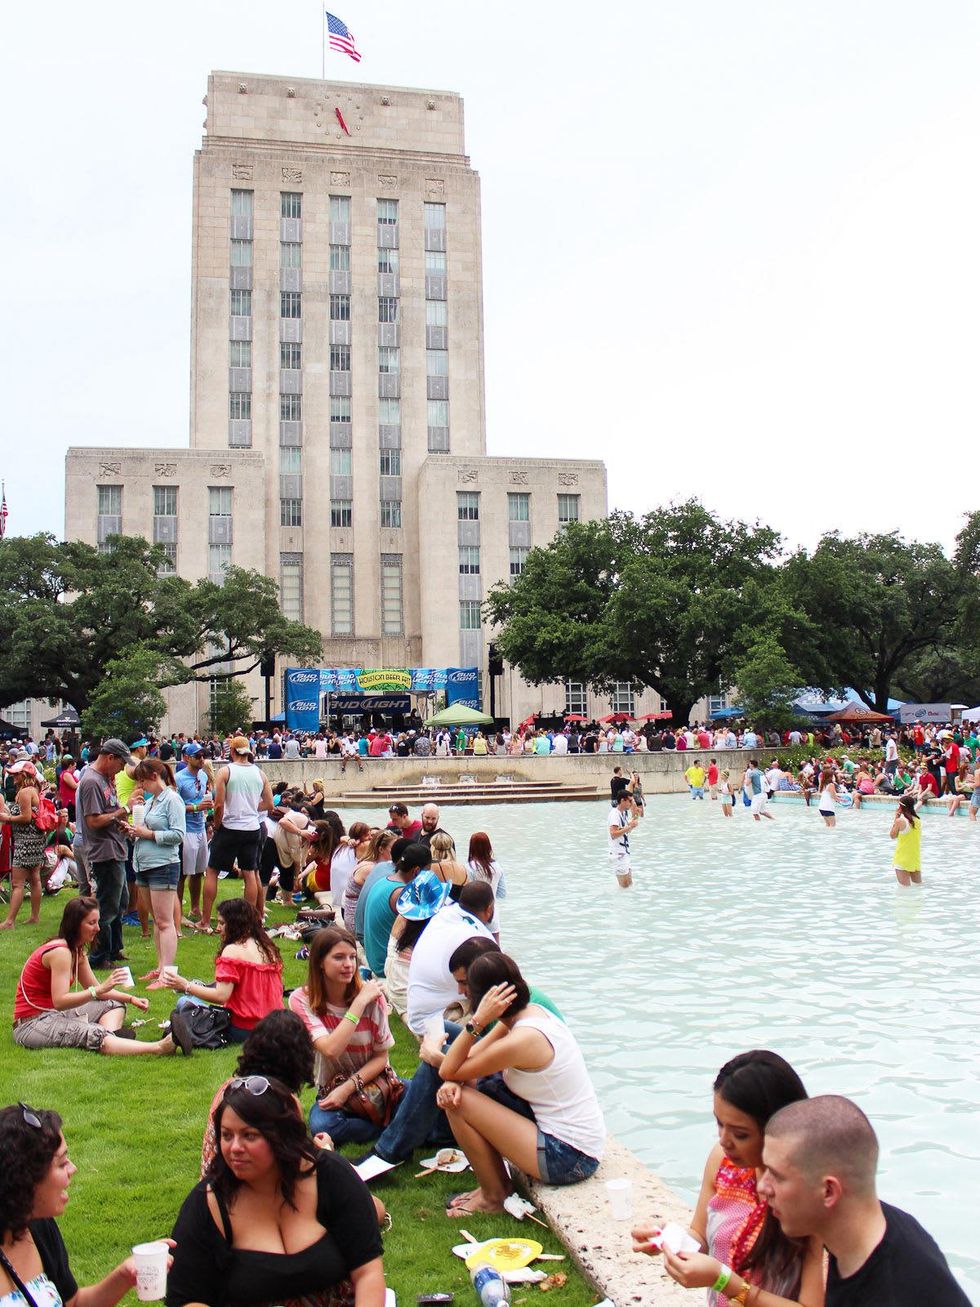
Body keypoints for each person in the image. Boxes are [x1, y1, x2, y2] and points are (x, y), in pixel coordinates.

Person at [167, 1077, 386, 1307]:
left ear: (280, 1136)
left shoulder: (330, 1175)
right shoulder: (208, 1202)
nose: (234, 1148)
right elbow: (186, 1298)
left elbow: (368, 1271)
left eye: (249, 1135)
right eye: (227, 1135)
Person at [632, 1049, 822, 1306]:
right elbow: (701, 1236)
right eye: (719, 1124)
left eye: (741, 1134)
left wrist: (725, 1281)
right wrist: (668, 1240)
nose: (724, 1141)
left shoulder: (810, 1197)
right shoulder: (723, 1162)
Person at [434, 951, 605, 1215]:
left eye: (467, 986)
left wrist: (478, 1021)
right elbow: (463, 1064)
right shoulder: (529, 1013)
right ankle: (493, 1186)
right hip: (573, 1141)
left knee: (456, 1102)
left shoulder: (523, 1039)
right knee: (463, 1086)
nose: (461, 992)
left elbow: (448, 1068)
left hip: (569, 1156)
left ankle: (494, 1197)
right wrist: (455, 1078)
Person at [759, 1096, 970, 1306]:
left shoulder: (895, 1291)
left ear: (829, 1191)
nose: (763, 1187)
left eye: (777, 1176)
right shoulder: (861, 1230)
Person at [0, 1103, 176, 1307]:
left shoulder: (38, 1226)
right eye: (62, 1163)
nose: (73, 1168)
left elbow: (72, 1303)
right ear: (25, 1178)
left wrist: (124, 1276)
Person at [12, 897, 177, 1055]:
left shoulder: (77, 950)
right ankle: (159, 1048)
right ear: (75, 925)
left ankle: (113, 1037)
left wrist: (131, 998)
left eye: (97, 922)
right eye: (91, 923)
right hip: (32, 1024)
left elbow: (99, 991)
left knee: (113, 1004)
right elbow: (60, 1001)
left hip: (54, 1014)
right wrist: (97, 990)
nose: (98, 928)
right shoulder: (61, 953)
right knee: (94, 1033)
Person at [288, 926, 399, 1146]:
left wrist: (348, 1088)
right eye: (338, 957)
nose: (348, 964)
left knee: (427, 1098)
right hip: (331, 1088)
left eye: (352, 957)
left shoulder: (373, 998)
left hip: (378, 1086)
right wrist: (358, 1004)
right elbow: (330, 1049)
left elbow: (381, 1057)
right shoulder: (302, 1000)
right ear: (320, 961)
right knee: (324, 1126)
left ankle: (393, 1123)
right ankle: (395, 1126)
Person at [200, 1009, 315, 1173]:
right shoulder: (283, 1104)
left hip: (213, 1183)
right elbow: (297, 1168)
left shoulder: (228, 1089)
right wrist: (324, 1148)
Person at [161, 898, 283, 1046]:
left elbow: (221, 996)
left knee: (183, 1002)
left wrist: (186, 985)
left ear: (236, 923)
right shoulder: (268, 948)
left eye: (222, 923)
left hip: (244, 1028)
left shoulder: (232, 950)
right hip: (275, 1025)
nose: (218, 928)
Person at [198, 736, 274, 933]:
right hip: (252, 828)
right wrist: (250, 807)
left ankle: (206, 920)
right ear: (248, 752)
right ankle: (247, 923)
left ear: (232, 752)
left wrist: (216, 825)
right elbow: (269, 805)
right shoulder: (260, 774)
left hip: (230, 827)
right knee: (250, 873)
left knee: (212, 871)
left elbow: (219, 805)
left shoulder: (226, 771)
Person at [404, 880, 496, 1037]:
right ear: (490, 909)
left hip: (417, 1013)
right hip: (436, 1022)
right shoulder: (481, 939)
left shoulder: (444, 913)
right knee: (495, 1004)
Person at [73, 739, 133, 968]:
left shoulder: (105, 778)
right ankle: (99, 957)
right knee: (107, 908)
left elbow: (107, 813)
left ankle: (114, 949)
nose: (121, 768)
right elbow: (93, 821)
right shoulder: (90, 782)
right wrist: (123, 810)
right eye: (120, 763)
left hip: (115, 848)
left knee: (120, 903)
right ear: (110, 757)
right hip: (103, 851)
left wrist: (120, 821)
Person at [128, 759, 186, 990]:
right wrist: (134, 831)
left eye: (142, 781)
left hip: (164, 864)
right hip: (144, 864)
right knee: (158, 921)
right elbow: (146, 830)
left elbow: (178, 834)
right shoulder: (151, 802)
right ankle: (160, 967)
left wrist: (149, 834)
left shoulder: (172, 799)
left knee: (165, 921)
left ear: (153, 776)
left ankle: (168, 974)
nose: (141, 786)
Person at [361, 842, 429, 977]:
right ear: (416, 871)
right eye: (427, 872)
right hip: (383, 966)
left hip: (375, 958)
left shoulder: (384, 881)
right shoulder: (402, 894)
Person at [0, 761, 46, 930]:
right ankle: (34, 917)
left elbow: (26, 818)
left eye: (15, 774)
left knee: (17, 883)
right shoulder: (33, 790)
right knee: (35, 878)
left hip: (26, 841)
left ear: (24, 775)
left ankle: (9, 921)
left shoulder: (25, 792)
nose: (12, 777)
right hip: (35, 840)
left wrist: (7, 818)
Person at [174, 743, 213, 922]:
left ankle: (195, 908)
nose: (201, 759)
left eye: (203, 756)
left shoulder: (203, 776)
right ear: (187, 758)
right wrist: (196, 807)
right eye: (197, 756)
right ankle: (178, 913)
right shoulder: (179, 779)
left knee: (198, 871)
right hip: (185, 829)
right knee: (182, 873)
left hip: (200, 826)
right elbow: (174, 806)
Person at [466, 831, 505, 936]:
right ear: (488, 847)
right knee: (495, 949)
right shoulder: (497, 867)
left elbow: (466, 892)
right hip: (493, 915)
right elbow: (502, 893)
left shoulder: (470, 867)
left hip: (474, 915)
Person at [607, 790, 638, 887]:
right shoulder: (615, 814)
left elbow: (624, 831)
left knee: (629, 885)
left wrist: (631, 825)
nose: (631, 803)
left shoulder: (623, 813)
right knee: (624, 887)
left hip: (624, 853)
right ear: (622, 800)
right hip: (618, 855)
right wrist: (629, 827)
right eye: (629, 801)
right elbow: (613, 834)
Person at [889, 795, 921, 887]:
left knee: (904, 889)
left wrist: (896, 817)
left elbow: (892, 835)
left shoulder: (900, 821)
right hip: (914, 857)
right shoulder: (918, 820)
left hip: (902, 858)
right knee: (918, 885)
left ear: (900, 807)